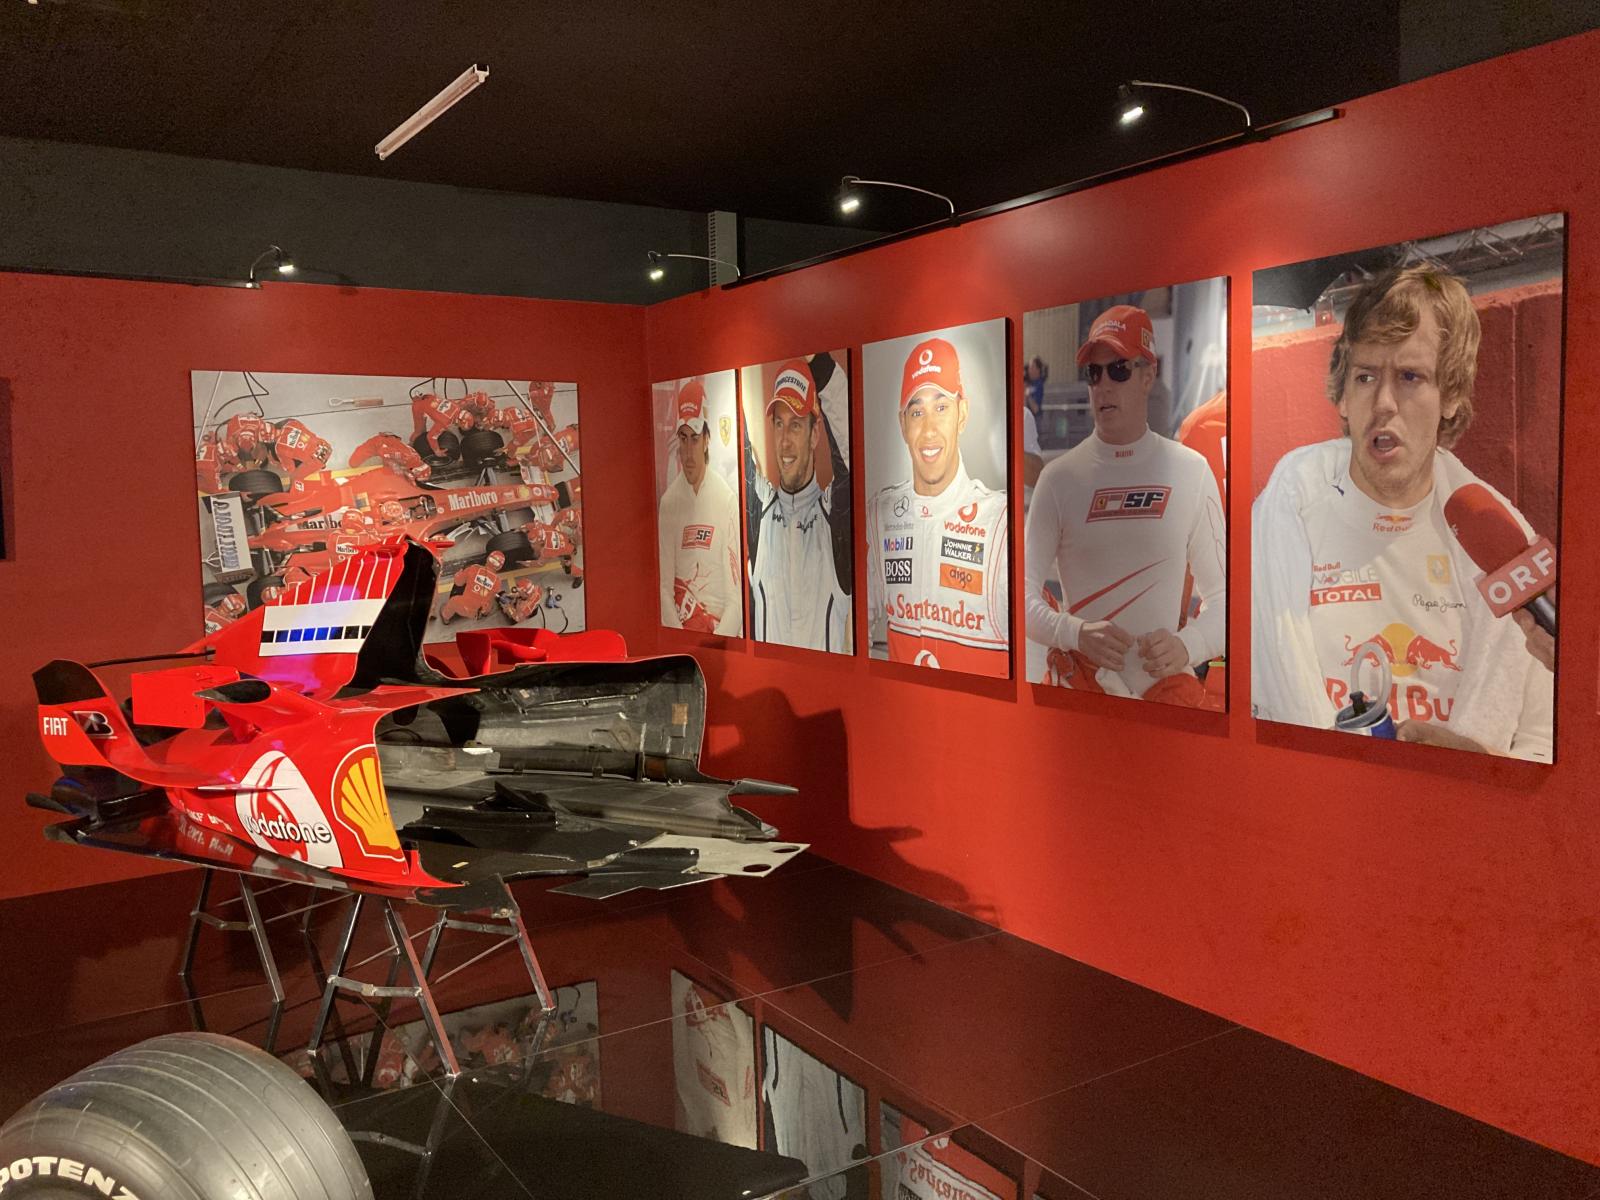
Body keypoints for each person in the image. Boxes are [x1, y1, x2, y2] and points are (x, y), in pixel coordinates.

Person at [1252, 264, 1552, 760]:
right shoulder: (1287, 515)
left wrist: (1474, 763)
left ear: (1450, 395)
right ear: (1343, 396)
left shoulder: (1502, 539)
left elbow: (1543, 743)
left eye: (1410, 377)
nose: (1383, 403)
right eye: (1366, 376)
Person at [1024, 305, 1226, 705]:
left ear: (1148, 375)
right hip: (1082, 697)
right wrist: (1074, 633)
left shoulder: (1191, 471)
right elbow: (1019, 598)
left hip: (1167, 700)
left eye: (1118, 370)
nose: (1103, 386)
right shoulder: (1058, 479)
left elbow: (1226, 599)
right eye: (1093, 373)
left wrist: (1189, 644)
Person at [867, 337, 1009, 676]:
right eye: (917, 412)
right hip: (904, 707)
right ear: (903, 424)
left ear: (963, 414)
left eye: (941, 407)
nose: (929, 430)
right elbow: (852, 626)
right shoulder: (880, 515)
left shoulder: (1000, 521)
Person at [746, 358, 852, 652]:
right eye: (779, 424)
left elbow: (850, 450)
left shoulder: (833, 518)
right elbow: (737, 447)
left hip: (823, 683)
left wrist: (819, 362)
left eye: (795, 425)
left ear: (814, 434)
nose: (784, 442)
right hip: (768, 683)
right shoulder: (760, 511)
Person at [658, 380, 742, 635]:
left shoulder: (726, 500)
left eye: (694, 439)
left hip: (721, 634)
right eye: (683, 439)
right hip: (683, 637)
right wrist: (681, 645)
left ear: (707, 440)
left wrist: (717, 645)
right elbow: (663, 589)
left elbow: (736, 599)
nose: (687, 452)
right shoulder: (669, 503)